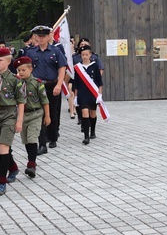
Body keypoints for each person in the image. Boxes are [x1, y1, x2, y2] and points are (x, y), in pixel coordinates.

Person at [0, 48, 25, 196]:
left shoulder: (15, 80)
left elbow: (21, 101)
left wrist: (19, 120)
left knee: (3, 145)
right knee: (0, 145)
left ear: (8, 61)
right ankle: (13, 167)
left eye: (0, 60)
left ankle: (1, 182)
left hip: (10, 113)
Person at [25, 25, 66, 155]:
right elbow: (26, 68)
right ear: (35, 37)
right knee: (39, 114)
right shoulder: (30, 52)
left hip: (52, 85)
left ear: (49, 36)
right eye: (39, 36)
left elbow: (62, 68)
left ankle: (53, 137)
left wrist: (59, 84)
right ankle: (42, 143)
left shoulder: (56, 51)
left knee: (53, 113)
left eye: (44, 36)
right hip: (37, 87)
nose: (41, 38)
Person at [13, 56, 49, 178]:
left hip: (35, 114)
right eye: (19, 70)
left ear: (31, 69)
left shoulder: (37, 83)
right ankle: (30, 160)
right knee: (26, 140)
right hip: (23, 115)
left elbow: (45, 101)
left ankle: (31, 164)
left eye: (23, 70)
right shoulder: (17, 83)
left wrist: (47, 116)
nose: (21, 72)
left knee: (32, 138)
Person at [72, 45, 103, 144]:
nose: (85, 56)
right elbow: (76, 83)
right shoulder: (78, 68)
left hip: (92, 93)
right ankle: (86, 136)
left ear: (90, 55)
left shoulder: (94, 66)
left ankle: (92, 131)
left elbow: (99, 82)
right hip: (82, 94)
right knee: (84, 113)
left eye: (86, 54)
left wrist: (99, 95)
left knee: (92, 114)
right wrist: (76, 96)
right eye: (83, 55)